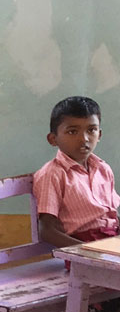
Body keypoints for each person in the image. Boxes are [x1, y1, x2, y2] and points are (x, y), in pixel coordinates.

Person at [33, 96, 119, 246]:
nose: (84, 139)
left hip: (111, 241)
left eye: (91, 130)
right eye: (72, 132)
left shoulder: (103, 169)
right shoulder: (52, 174)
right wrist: (84, 252)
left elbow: (114, 214)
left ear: (99, 135)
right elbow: (47, 230)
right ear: (53, 139)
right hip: (83, 247)